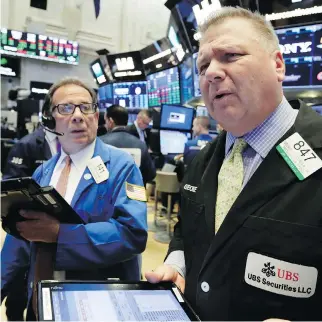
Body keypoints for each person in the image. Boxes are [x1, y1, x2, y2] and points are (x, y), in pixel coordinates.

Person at [145, 7, 322, 321]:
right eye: (203, 66)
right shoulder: (201, 161)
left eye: (230, 55)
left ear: (277, 65)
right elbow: (186, 232)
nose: (212, 72)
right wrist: (177, 265)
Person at [1, 77, 148, 320]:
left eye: (86, 107)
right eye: (66, 108)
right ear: (50, 120)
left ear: (97, 117)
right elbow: (21, 235)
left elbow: (133, 234)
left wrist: (61, 234)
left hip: (97, 305)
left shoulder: (123, 167)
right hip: (41, 299)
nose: (78, 115)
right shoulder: (44, 172)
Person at [2, 117, 59, 321]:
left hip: (57, 240)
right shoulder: (27, 145)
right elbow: (9, 188)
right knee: (18, 288)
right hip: (25, 230)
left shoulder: (74, 151)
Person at [100, 104, 156, 185]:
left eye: (105, 121)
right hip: (134, 194)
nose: (105, 125)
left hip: (106, 194)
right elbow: (151, 175)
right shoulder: (141, 145)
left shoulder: (99, 143)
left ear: (110, 121)